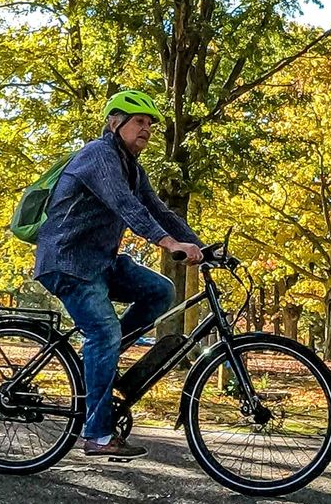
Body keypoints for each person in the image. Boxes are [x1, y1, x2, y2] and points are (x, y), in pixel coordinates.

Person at [34, 89, 204, 458]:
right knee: (105, 330)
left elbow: (159, 210)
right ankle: (95, 435)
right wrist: (166, 243)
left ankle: (97, 362)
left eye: (150, 124)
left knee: (160, 292)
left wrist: (201, 248)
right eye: (139, 121)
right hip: (68, 261)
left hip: (101, 262)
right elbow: (126, 206)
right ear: (115, 122)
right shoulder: (99, 155)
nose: (146, 129)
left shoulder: (132, 167)